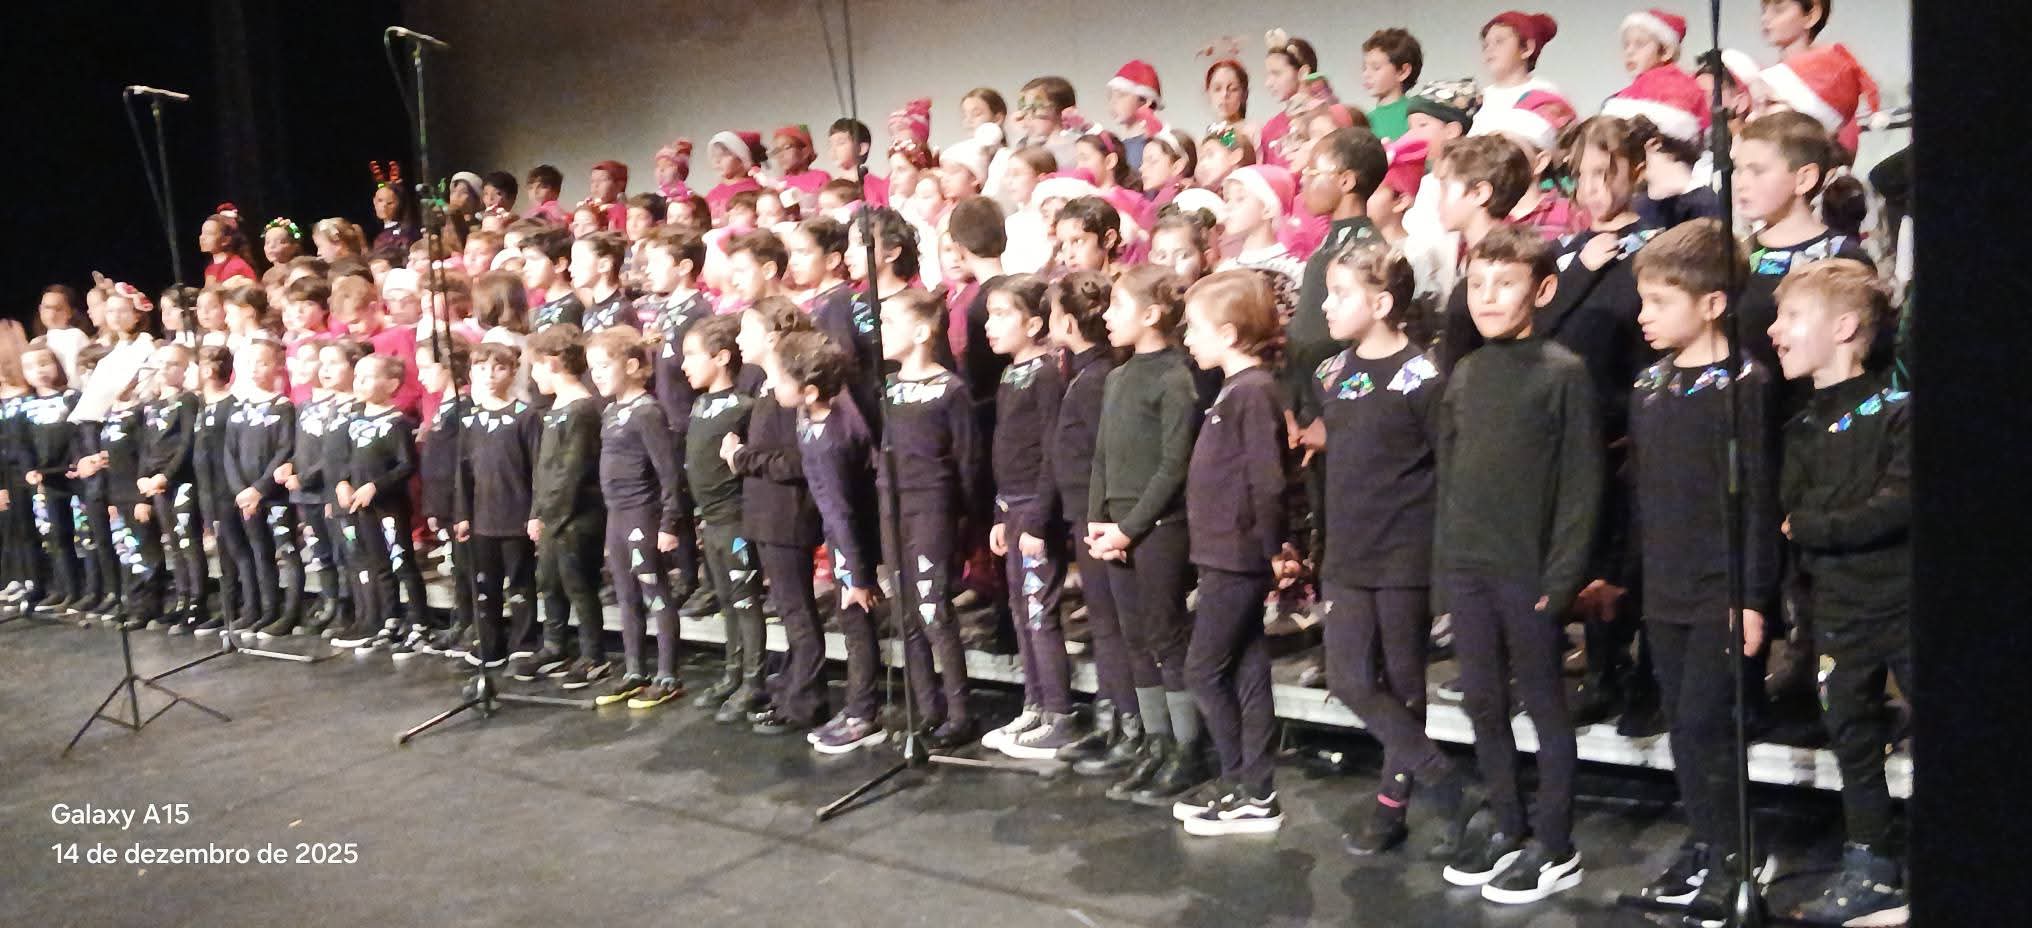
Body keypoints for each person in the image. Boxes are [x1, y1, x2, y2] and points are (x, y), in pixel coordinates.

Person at [1435, 225, 1599, 904]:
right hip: (1469, 568)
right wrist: (1445, 569)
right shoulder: (1467, 373)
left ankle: (1555, 844)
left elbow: (1582, 486)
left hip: (1528, 571)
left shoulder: (1563, 373)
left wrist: (1561, 579)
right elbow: (1450, 477)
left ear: (1544, 289)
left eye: (1505, 284)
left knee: (1543, 704)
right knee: (1482, 700)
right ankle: (1508, 823)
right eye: (1478, 284)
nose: (1488, 296)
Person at [1621, 219, 1781, 917]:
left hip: (1723, 589)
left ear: (1713, 303)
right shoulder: (1649, 385)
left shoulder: (1744, 385)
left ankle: (1738, 855)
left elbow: (1759, 499)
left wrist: (1754, 597)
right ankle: (1708, 839)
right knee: (1683, 728)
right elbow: (1644, 491)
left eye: (1660, 301)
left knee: (1707, 725)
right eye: (1644, 300)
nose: (1644, 315)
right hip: (1666, 585)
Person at [1301, 239, 1467, 854]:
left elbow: (1447, 468)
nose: (1326, 305)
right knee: (1348, 677)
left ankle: (1392, 806)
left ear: (1381, 303)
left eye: (1340, 294)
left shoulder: (1423, 378)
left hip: (1403, 552)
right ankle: (1441, 777)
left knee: (1403, 683)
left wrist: (1443, 566)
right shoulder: (1330, 373)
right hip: (1347, 549)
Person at [1768, 259, 1911, 927]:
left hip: (1905, 604)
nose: (1774, 330)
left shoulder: (1899, 411)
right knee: (1851, 739)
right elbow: (1789, 510)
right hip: (1837, 610)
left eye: (1792, 317)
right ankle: (1872, 871)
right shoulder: (1799, 428)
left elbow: (1896, 506)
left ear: (1846, 327)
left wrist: (1818, 525)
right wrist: (1816, 523)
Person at [1170, 270, 1289, 836]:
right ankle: (1255, 788)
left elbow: (1267, 481)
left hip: (1237, 556)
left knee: (1203, 669)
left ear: (1229, 333)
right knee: (1246, 667)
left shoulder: (1253, 392)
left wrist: (1271, 548)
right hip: (1226, 552)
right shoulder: (1235, 390)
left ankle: (1243, 780)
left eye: (1194, 328)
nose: (1187, 338)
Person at [1086, 265, 1203, 804]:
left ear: (1152, 314)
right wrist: (1097, 520)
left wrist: (1129, 529)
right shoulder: (1117, 377)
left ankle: (1187, 748)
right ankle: (1156, 742)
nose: (1107, 316)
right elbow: (1103, 456)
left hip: (1157, 529)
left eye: (1117, 306)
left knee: (1165, 636)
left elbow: (1174, 466)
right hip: (1115, 529)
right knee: (1134, 638)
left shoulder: (1175, 378)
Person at [968, 274, 1077, 757]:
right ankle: (1035, 704)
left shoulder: (1047, 374)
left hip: (1035, 511)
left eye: (1001, 315)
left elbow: (1053, 449)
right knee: (1020, 610)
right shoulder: (1011, 374)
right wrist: (999, 511)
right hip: (1013, 508)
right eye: (989, 315)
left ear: (1034, 324)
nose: (989, 325)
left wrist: (1037, 518)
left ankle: (1059, 713)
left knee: (1038, 612)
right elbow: (1006, 451)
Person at [871, 288, 983, 747]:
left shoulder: (949, 390)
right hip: (892, 504)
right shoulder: (888, 387)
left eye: (888, 322)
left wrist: (966, 518)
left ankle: (959, 711)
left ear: (920, 332)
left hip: (932, 507)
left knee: (932, 607)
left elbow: (968, 459)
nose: (880, 331)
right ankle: (926, 705)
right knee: (905, 611)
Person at [779, 331, 888, 753]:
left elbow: (842, 510)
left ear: (809, 391)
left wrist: (857, 575)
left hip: (851, 538)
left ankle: (864, 713)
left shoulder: (832, 438)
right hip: (840, 531)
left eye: (782, 379)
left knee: (856, 623)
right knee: (851, 622)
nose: (773, 385)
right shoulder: (811, 415)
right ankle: (858, 706)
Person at [723, 299, 826, 734]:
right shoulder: (768, 389)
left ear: (770, 338)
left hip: (787, 515)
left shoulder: (788, 392)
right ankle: (791, 688)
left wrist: (741, 457)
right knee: (788, 610)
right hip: (768, 514)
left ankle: (805, 700)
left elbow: (796, 460)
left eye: (745, 331)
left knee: (797, 611)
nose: (738, 340)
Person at [585, 327, 687, 708]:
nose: (596, 374)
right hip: (616, 516)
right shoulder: (612, 410)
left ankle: (667, 672)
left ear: (631, 366)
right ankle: (634, 670)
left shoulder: (647, 412)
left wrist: (669, 522)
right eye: (592, 367)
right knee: (626, 595)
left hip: (642, 514)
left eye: (603, 365)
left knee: (654, 591)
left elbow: (669, 472)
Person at [1734, 112, 1872, 385]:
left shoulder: (1842, 257)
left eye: (1757, 171)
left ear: (1804, 179)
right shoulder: (1738, 254)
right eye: (1738, 170)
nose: (1741, 183)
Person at [676, 315, 765, 720]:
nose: (684, 365)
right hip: (710, 520)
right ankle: (733, 673)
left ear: (722, 357)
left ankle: (754, 681)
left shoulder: (744, 407)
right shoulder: (699, 404)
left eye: (692, 355)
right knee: (727, 601)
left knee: (745, 600)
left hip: (735, 519)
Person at [523, 325, 609, 689]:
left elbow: (572, 472)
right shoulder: (555, 408)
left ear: (553, 363)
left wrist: (552, 517)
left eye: (535, 366)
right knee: (550, 581)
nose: (532, 375)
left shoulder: (582, 409)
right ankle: (555, 644)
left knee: (578, 584)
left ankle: (593, 654)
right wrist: (536, 512)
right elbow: (544, 470)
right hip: (551, 516)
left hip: (575, 517)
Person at [329, 355, 427, 652]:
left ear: (391, 384)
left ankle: (420, 623)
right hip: (361, 508)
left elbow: (406, 465)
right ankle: (390, 617)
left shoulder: (397, 423)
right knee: (378, 564)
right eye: (358, 376)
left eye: (368, 377)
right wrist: (342, 482)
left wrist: (376, 486)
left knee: (401, 561)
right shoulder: (353, 420)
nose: (359, 382)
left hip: (389, 507)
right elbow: (344, 459)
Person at [456, 342, 542, 672]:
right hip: (482, 517)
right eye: (481, 369)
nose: (489, 376)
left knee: (520, 582)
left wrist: (535, 513)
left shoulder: (526, 416)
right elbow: (463, 471)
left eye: (499, 368)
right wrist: (462, 514)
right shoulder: (470, 420)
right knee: (484, 584)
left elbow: (537, 468)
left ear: (513, 372)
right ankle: (489, 642)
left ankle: (523, 642)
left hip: (516, 514)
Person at [1431, 135, 1535, 374]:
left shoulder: (1507, 264)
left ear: (1479, 193)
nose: (1438, 201)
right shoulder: (1466, 255)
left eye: (1445, 188)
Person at [221, 339, 301, 637]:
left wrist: (259, 489)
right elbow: (229, 453)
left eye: (263, 362)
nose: (255, 369)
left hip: (273, 495)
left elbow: (285, 450)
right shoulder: (237, 408)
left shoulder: (283, 407)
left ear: (277, 367)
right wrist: (240, 491)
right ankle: (266, 609)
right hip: (245, 497)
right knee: (258, 551)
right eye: (249, 363)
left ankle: (290, 611)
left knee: (286, 550)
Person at [137, 344, 206, 632]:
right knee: (174, 544)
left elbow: (187, 443)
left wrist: (166, 475)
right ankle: (182, 598)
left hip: (181, 480)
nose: (165, 369)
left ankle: (197, 603)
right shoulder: (152, 405)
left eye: (173, 364)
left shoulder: (188, 401)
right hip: (157, 484)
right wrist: (143, 477)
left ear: (185, 369)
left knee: (188, 541)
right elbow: (146, 445)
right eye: (161, 363)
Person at [412, 335, 473, 659]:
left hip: (458, 501)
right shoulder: (444, 408)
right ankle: (461, 621)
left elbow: (458, 463)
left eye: (426, 368)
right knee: (458, 568)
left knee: (467, 566)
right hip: (444, 501)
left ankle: (472, 625)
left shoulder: (463, 408)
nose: (421, 376)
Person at [1470, 11, 1561, 137]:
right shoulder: (1480, 99)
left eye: (1499, 41)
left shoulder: (1544, 93)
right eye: (1485, 45)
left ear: (1527, 48)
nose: (1489, 49)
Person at [1258, 30, 1322, 168]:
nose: (1268, 83)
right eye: (1268, 75)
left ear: (1303, 72)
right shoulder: (1270, 129)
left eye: (1276, 73)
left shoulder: (1325, 116)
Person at [1361, 28, 1423, 140]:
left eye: (1376, 67)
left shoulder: (1417, 116)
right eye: (1364, 68)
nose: (1366, 74)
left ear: (1403, 71)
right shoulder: (1364, 122)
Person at [521, 227, 586, 331]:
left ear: (559, 264)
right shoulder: (534, 312)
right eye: (525, 262)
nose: (525, 268)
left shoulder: (575, 306)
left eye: (534, 259)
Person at [572, 231, 633, 331]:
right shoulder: (589, 312)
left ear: (604, 265)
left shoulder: (622, 311)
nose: (571, 268)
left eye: (578, 260)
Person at [705, 131, 767, 222]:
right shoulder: (712, 194)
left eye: (724, 155)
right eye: (715, 155)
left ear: (742, 158)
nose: (717, 160)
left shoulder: (753, 191)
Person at [201, 207, 260, 286]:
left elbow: (253, 291)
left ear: (225, 240)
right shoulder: (210, 268)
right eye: (202, 233)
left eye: (209, 233)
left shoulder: (237, 266)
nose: (202, 238)